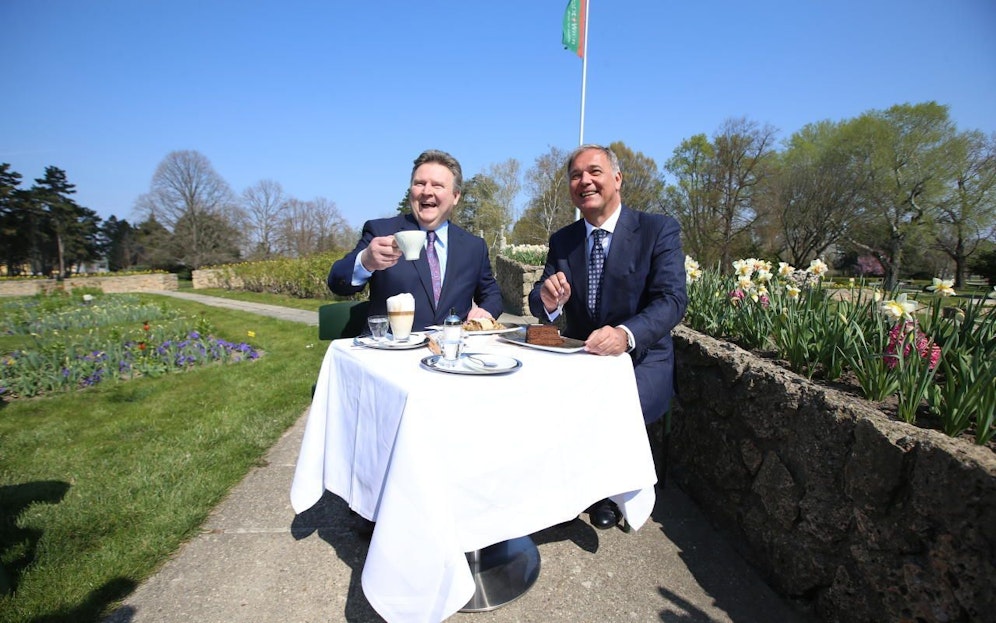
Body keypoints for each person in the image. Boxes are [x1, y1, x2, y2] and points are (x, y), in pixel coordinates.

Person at [528, 144, 688, 529]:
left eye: (594, 172)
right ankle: (547, 483)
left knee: (610, 403)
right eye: (576, 175)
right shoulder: (563, 240)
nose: (585, 181)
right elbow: (539, 300)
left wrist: (625, 334)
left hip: (642, 357)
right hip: (582, 354)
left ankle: (604, 492)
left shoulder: (657, 230)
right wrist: (548, 301)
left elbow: (672, 300)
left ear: (617, 179)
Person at [329, 149, 503, 329]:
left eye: (437, 185)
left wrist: (486, 311)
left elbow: (492, 295)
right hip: (391, 352)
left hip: (451, 351)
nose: (427, 191)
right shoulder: (381, 232)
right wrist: (365, 261)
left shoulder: (473, 246)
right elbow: (337, 283)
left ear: (455, 196)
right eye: (419, 183)